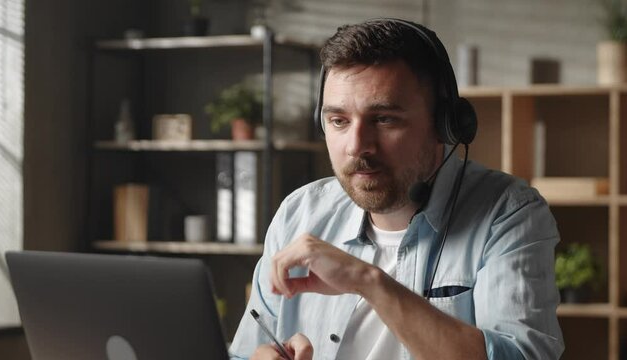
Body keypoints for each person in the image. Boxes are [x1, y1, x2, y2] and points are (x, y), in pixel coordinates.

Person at [229, 18, 564, 360]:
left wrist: (366, 280)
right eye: (339, 121)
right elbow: (242, 353)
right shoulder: (298, 214)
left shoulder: (508, 213)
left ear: (444, 124)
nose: (357, 146)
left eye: (384, 119)